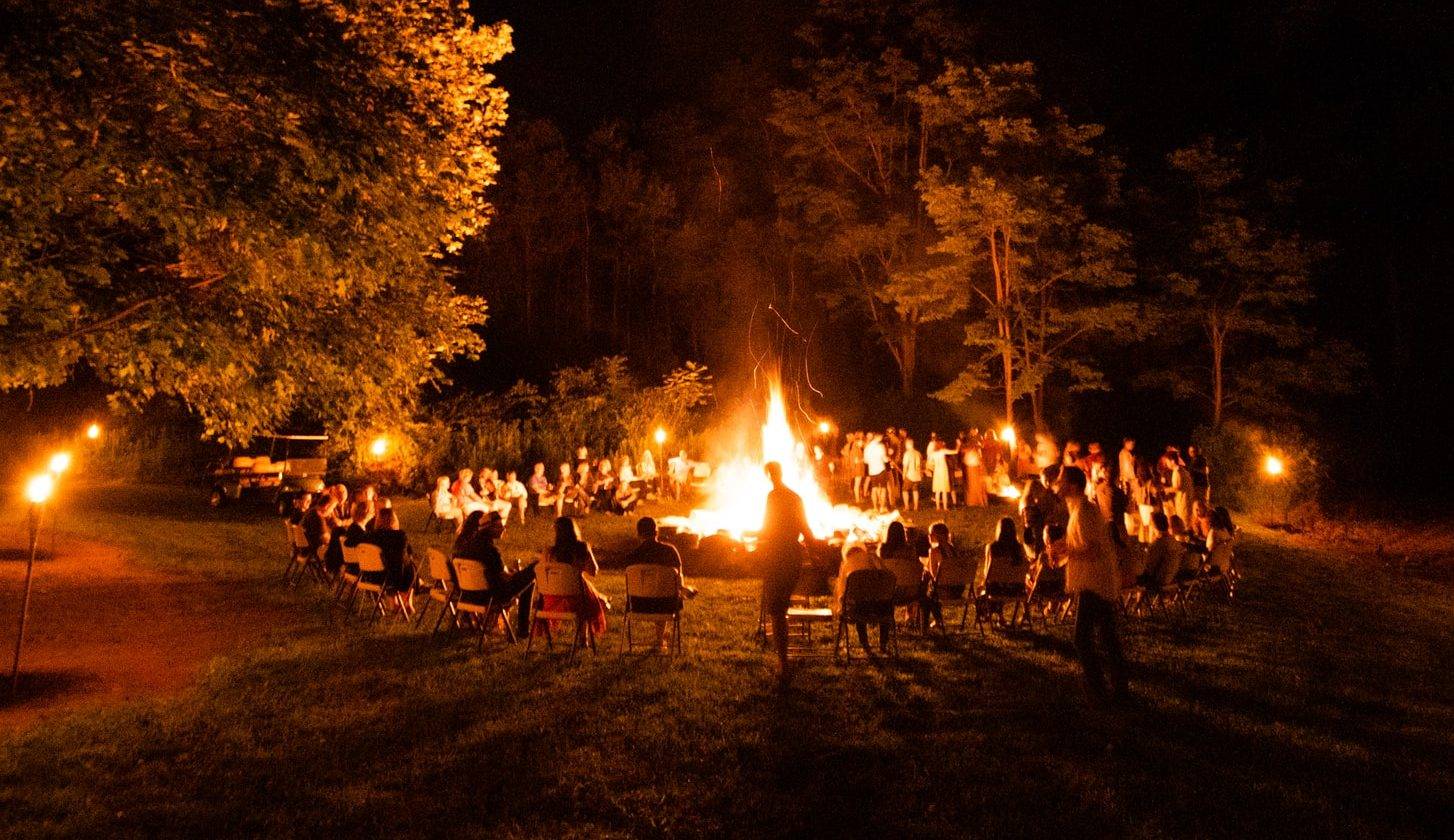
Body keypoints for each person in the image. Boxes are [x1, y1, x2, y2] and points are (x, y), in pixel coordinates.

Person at [1046, 465, 1128, 705]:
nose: (1055, 484)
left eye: (1059, 480)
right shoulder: (1079, 511)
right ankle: (1117, 691)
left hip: (1095, 584)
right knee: (1107, 638)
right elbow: (1084, 546)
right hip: (1096, 582)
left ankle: (1099, 691)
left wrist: (1066, 551)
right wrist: (1062, 552)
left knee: (1083, 639)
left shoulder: (1085, 511)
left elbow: (1092, 551)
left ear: (1071, 486)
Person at [758, 461, 816, 689]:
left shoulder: (773, 497)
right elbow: (805, 528)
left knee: (776, 608)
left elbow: (768, 528)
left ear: (769, 475)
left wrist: (751, 534)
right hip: (794, 555)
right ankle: (783, 660)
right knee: (779, 605)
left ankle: (783, 662)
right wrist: (814, 552)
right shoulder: (796, 497)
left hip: (777, 554)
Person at [453, 510, 536, 639]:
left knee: (524, 576)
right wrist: (518, 575)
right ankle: (523, 630)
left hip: (467, 594)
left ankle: (523, 630)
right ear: (488, 529)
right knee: (531, 574)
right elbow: (503, 578)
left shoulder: (468, 546)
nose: (503, 528)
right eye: (499, 526)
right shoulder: (490, 550)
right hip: (492, 596)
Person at [625, 517, 694, 651]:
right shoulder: (670, 552)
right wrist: (688, 590)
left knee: (655, 591)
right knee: (664, 592)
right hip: (665, 605)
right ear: (656, 532)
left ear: (638, 534)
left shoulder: (633, 556)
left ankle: (659, 640)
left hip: (638, 605)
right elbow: (678, 584)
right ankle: (659, 639)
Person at [534, 516, 607, 642]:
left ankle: (550, 639)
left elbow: (542, 573)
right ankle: (583, 637)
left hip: (552, 599)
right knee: (596, 601)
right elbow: (594, 571)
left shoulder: (549, 551)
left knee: (589, 597)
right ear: (574, 530)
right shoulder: (582, 548)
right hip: (577, 598)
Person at [360, 507, 418, 609]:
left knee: (397, 565)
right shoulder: (399, 536)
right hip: (393, 578)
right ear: (394, 520)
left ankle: (394, 602)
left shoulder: (369, 536)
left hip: (372, 577)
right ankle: (407, 601)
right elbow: (402, 558)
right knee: (410, 567)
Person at [921, 522, 971, 630]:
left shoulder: (933, 551)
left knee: (925, 595)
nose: (928, 536)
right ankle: (938, 621)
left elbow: (935, 576)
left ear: (937, 536)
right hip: (957, 591)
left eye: (931, 534)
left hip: (944, 592)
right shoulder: (954, 549)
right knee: (932, 590)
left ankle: (925, 628)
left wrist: (926, 567)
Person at [877, 521, 923, 629]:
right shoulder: (910, 549)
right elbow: (917, 568)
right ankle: (910, 617)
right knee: (914, 581)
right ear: (903, 533)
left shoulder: (883, 550)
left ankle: (889, 618)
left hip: (889, 593)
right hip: (911, 593)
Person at [979, 516, 1030, 598]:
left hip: (997, 590)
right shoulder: (1019, 548)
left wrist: (983, 583)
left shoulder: (992, 547)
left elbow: (989, 571)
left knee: (984, 592)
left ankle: (995, 609)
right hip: (1016, 590)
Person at [1140, 512, 1185, 590]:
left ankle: (1139, 601)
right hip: (1172, 577)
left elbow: (1148, 566)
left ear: (1153, 526)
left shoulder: (1158, 544)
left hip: (1158, 579)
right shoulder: (1175, 542)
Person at [1206, 507, 1238, 579]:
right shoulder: (1225, 531)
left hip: (1212, 566)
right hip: (1224, 564)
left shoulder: (1214, 532)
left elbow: (1209, 550)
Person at [928, 434, 958, 510]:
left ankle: (938, 507)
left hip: (937, 472)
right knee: (944, 490)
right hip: (943, 471)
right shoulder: (943, 451)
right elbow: (956, 451)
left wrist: (933, 467)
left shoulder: (933, 454)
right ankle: (945, 507)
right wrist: (958, 444)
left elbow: (929, 464)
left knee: (937, 491)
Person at [862, 433, 889, 512]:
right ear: (879, 437)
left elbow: (866, 461)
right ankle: (882, 507)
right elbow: (884, 459)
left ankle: (875, 507)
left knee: (874, 489)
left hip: (872, 471)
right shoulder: (880, 446)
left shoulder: (867, 447)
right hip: (881, 469)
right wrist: (888, 459)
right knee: (883, 489)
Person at [900, 437, 923, 511]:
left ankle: (906, 506)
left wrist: (903, 475)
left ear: (908, 444)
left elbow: (905, 466)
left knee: (904, 490)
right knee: (915, 491)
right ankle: (916, 507)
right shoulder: (918, 453)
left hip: (910, 475)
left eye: (906, 444)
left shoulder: (907, 454)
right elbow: (921, 464)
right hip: (917, 475)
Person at [962, 441, 988, 508]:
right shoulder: (971, 453)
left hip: (974, 470)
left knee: (977, 486)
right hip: (972, 470)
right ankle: (977, 502)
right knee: (974, 486)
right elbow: (966, 460)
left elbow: (966, 461)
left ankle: (980, 502)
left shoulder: (974, 453)